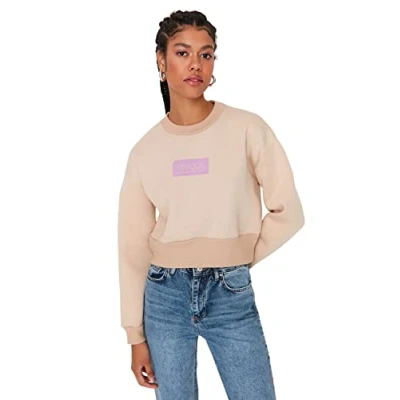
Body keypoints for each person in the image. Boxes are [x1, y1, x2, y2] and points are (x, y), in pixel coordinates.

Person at [117, 10, 305, 400]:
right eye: (182, 52)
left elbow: (288, 210)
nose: (196, 64)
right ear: (160, 60)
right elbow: (132, 247)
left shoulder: (247, 128)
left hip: (229, 293)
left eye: (206, 54)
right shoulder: (145, 151)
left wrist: (237, 257)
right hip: (164, 297)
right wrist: (135, 336)